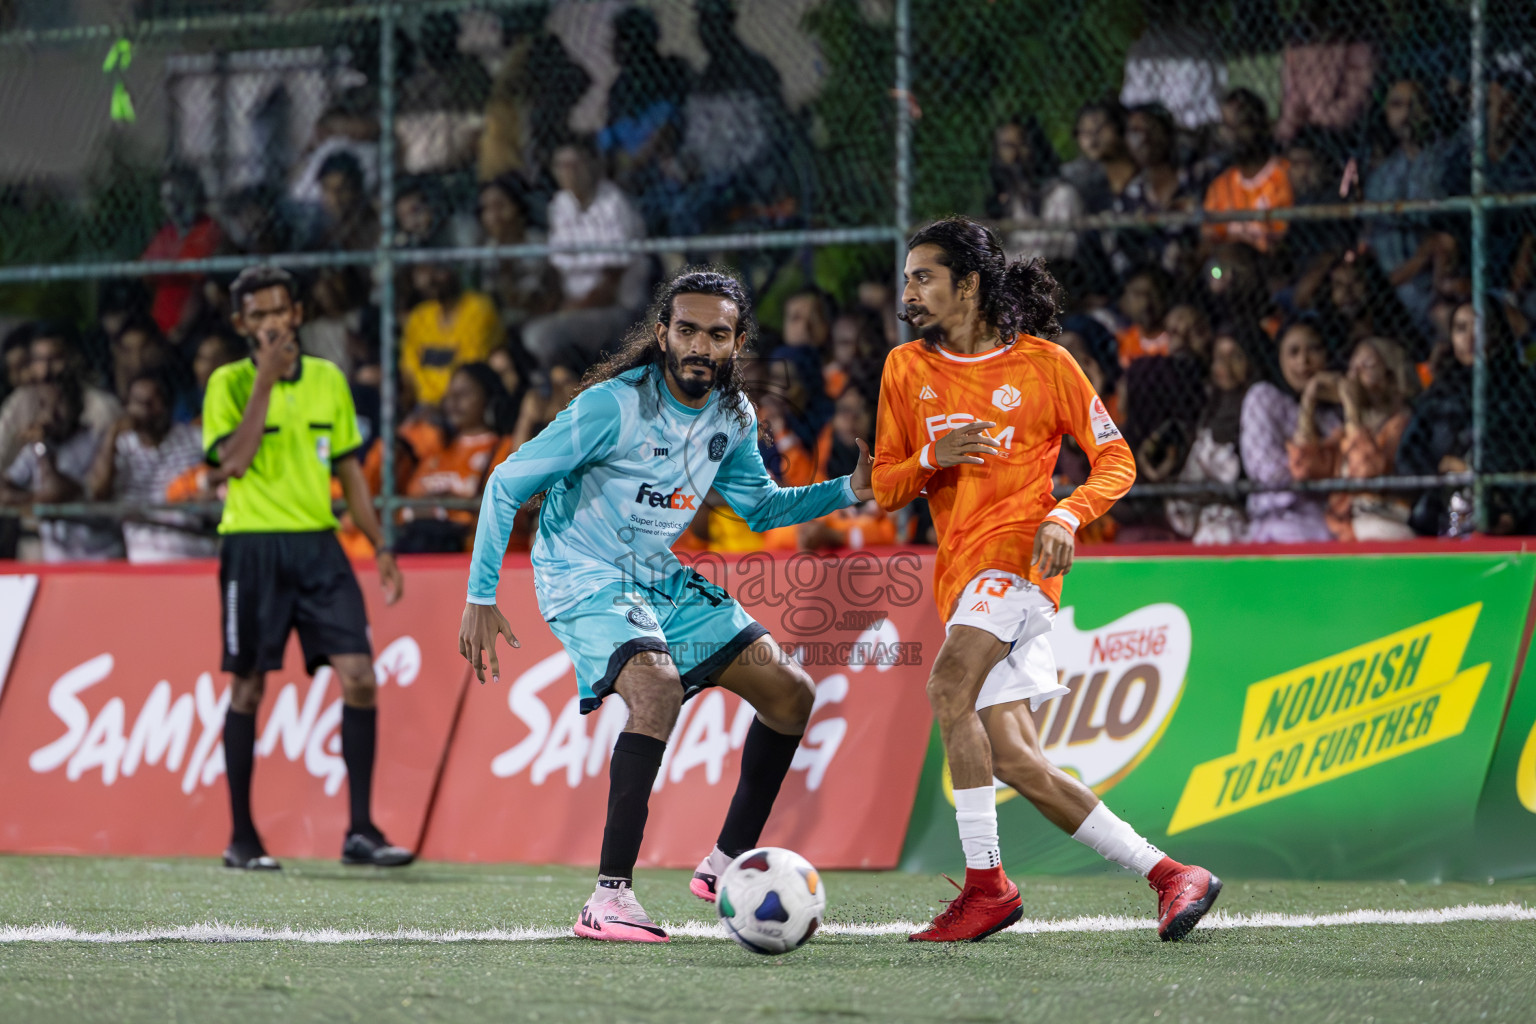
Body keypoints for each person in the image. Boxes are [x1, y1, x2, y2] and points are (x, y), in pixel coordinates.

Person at [458, 267, 870, 943]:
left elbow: (761, 509)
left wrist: (849, 488)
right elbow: (505, 483)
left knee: (791, 695)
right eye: (687, 330)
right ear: (662, 334)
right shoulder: (611, 407)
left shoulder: (733, 417)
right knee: (655, 687)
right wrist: (481, 594)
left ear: (736, 343)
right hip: (580, 571)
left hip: (656, 573)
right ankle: (608, 899)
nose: (700, 346)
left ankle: (725, 865)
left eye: (717, 333)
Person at [871, 217, 1219, 943]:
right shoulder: (905, 368)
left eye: (924, 277)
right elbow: (885, 488)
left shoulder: (1046, 365)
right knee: (1019, 762)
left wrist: (1068, 514)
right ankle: (1171, 874)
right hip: (961, 581)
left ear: (968, 285)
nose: (909, 291)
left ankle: (986, 886)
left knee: (945, 689)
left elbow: (1116, 459)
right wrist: (932, 454)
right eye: (907, 278)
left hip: (1021, 562)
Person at [206, 265, 410, 871]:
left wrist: (380, 545)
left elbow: (348, 474)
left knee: (360, 677)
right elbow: (233, 464)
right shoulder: (228, 384)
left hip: (320, 546)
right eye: (258, 316)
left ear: (296, 313)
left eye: (279, 311)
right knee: (247, 688)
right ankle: (241, 837)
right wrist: (264, 383)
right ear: (242, 324)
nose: (271, 324)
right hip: (252, 547)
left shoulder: (328, 381)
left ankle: (361, 830)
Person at [520, 142, 648, 385]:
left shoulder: (613, 204)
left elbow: (611, 284)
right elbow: (556, 270)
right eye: (561, 166)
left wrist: (567, 310)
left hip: (616, 309)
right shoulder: (560, 204)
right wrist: (548, 305)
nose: (569, 172)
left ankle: (561, 391)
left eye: (575, 165)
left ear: (593, 167)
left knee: (540, 336)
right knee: (522, 328)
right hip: (575, 306)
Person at [1288, 336, 1416, 541]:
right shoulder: (1345, 431)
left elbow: (1366, 474)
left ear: (1390, 375)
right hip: (1343, 525)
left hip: (1382, 519)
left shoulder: (1401, 424)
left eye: (1367, 365)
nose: (1354, 375)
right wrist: (1308, 401)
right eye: (1352, 366)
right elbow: (1304, 471)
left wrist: (1351, 408)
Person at [86, 372, 212, 562]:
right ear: (127, 407)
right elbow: (97, 492)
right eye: (138, 402)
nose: (146, 408)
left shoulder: (194, 438)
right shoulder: (121, 446)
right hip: (143, 556)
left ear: (168, 404)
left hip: (193, 552)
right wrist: (112, 434)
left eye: (154, 400)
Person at [396, 363, 515, 554]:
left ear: (490, 401)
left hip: (471, 554)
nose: (454, 402)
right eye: (450, 395)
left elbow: (499, 507)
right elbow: (406, 508)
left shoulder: (503, 448)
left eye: (464, 394)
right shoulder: (436, 449)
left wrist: (440, 508)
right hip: (421, 551)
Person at [0, 376, 123, 561]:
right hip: (57, 558)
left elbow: (56, 490)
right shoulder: (36, 448)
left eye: (59, 405)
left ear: (77, 407)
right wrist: (35, 500)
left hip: (99, 554)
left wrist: (42, 449)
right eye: (44, 406)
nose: (51, 414)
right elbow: (4, 492)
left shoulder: (95, 441)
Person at [1239, 316, 1338, 542]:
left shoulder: (1331, 414)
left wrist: (1311, 400)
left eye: (1313, 350)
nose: (1304, 361)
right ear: (1279, 359)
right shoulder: (1263, 398)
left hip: (1329, 519)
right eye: (1293, 352)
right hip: (1277, 517)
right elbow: (1267, 471)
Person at [0, 324, 123, 471]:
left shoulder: (102, 408)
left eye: (56, 358)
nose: (46, 371)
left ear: (75, 359)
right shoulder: (20, 402)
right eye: (39, 360)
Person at [1202, 89, 1293, 255]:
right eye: (1227, 127)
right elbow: (1209, 242)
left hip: (1270, 265)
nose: (1234, 135)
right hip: (1226, 269)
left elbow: (1282, 242)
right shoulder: (1220, 185)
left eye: (1241, 124)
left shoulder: (1285, 174)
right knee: (1216, 271)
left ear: (1261, 125)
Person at [399, 264, 502, 409]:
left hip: (463, 404)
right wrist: (427, 400)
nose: (430, 279)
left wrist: (441, 400)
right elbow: (410, 370)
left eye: (438, 269)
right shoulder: (418, 316)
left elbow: (471, 364)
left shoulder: (478, 309)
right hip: (423, 405)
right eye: (423, 272)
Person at [141, 164, 223, 343]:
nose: (170, 205)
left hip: (191, 328)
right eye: (166, 198)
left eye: (176, 196)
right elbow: (146, 273)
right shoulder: (168, 232)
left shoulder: (206, 230)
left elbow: (198, 287)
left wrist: (181, 329)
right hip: (160, 325)